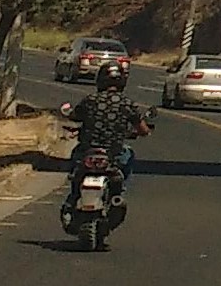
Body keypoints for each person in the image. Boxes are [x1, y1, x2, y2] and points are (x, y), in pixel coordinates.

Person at [61, 61, 153, 219]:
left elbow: (75, 116)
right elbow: (142, 129)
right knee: (129, 155)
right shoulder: (127, 103)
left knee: (75, 164)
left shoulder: (90, 100)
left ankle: (74, 195)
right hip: (113, 155)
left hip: (87, 152)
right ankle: (118, 193)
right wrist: (142, 132)